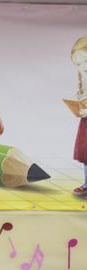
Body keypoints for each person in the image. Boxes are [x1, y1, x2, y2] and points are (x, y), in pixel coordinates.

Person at [70, 37, 87, 198]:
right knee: (85, 155)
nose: (82, 68)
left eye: (85, 62)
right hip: (86, 123)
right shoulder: (83, 78)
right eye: (78, 64)